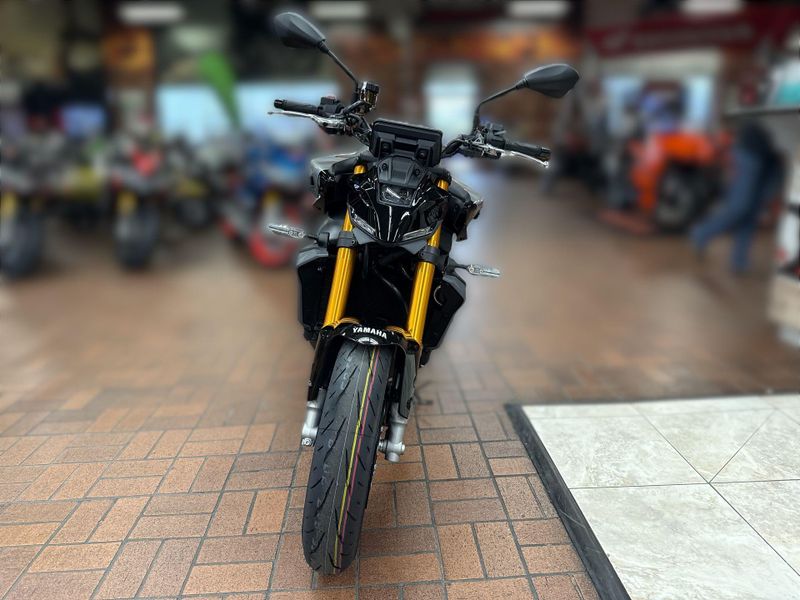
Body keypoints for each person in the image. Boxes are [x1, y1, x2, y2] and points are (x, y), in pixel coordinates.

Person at [690, 121, 784, 273]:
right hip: (751, 153)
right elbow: (771, 196)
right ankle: (701, 233)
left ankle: (739, 261)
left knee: (749, 215)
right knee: (739, 208)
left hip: (756, 157)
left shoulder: (774, 169)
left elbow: (770, 194)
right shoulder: (772, 165)